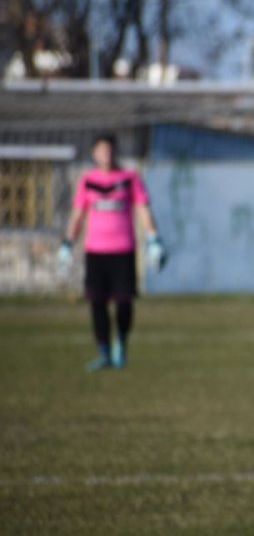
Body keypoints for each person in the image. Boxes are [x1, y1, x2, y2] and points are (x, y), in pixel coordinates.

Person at [58, 134, 166, 371]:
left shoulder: (130, 178)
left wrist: (154, 239)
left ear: (115, 152)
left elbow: (143, 209)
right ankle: (104, 351)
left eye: (109, 150)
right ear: (94, 154)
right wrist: (67, 243)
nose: (106, 154)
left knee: (124, 302)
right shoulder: (87, 181)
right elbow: (77, 214)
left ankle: (121, 342)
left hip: (123, 250)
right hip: (96, 251)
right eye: (101, 150)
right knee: (97, 302)